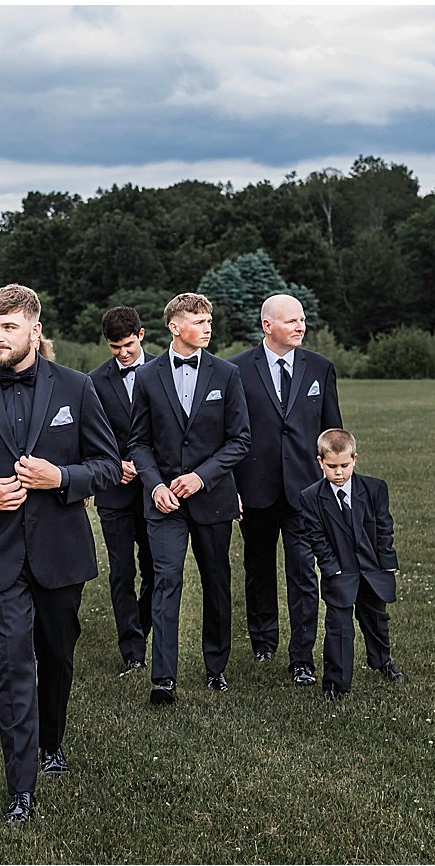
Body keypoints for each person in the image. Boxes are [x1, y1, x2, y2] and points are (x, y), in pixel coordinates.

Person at [0, 284, 118, 824]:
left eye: (8, 327)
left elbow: (108, 466)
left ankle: (52, 741)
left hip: (60, 550)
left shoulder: (78, 388)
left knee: (56, 654)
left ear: (34, 330)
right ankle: (21, 787)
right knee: (13, 661)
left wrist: (61, 476)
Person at [128, 292, 251, 704]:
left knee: (217, 583)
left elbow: (240, 440)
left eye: (208, 321)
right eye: (198, 321)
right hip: (164, 502)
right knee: (166, 581)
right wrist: (155, 485)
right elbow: (139, 443)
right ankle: (163, 678)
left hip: (212, 497)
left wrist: (202, 477)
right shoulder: (147, 377)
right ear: (175, 326)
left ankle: (216, 667)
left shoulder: (227, 374)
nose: (206, 328)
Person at [231, 294, 343, 684]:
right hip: (254, 490)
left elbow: (332, 433)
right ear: (267, 326)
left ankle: (302, 658)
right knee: (258, 568)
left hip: (306, 493)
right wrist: (233, 489)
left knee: (303, 574)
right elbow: (228, 437)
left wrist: (332, 487)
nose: (301, 326)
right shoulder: (237, 370)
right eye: (292, 320)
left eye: (302, 319)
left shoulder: (321, 368)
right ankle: (263, 641)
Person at [287, 428, 405, 700]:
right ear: (320, 462)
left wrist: (385, 562)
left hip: (372, 570)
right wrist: (332, 568)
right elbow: (316, 538)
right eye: (331, 466)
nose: (338, 472)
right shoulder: (311, 497)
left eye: (344, 465)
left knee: (376, 620)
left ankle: (382, 660)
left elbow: (385, 527)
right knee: (339, 628)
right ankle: (335, 684)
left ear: (355, 459)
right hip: (340, 572)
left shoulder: (375, 489)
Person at [86, 306, 158, 676]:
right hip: (114, 490)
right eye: (115, 348)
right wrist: (116, 466)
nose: (123, 353)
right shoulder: (94, 382)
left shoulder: (164, 370)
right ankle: (132, 650)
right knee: (121, 571)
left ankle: (144, 626)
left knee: (154, 568)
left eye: (128, 345)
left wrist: (144, 467)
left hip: (153, 491)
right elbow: (91, 434)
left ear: (141, 335)